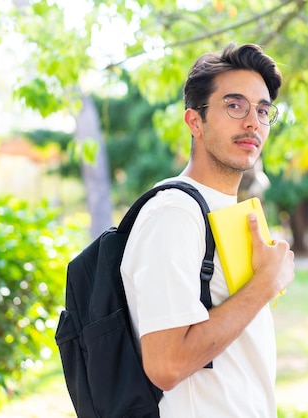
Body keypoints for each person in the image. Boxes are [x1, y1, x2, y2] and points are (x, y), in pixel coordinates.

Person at [120, 43, 295, 417]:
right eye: (234, 106)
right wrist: (266, 284)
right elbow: (166, 364)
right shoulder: (174, 213)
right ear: (194, 121)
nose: (252, 122)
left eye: (262, 111)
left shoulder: (225, 210)